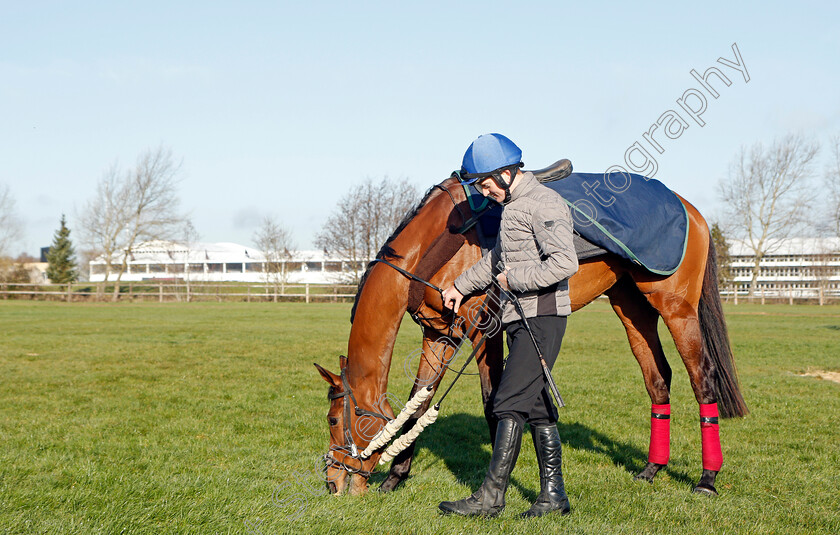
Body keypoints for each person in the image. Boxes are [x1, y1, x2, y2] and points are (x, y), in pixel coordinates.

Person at [438, 133, 579, 518]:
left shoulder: (545, 203)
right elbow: (496, 261)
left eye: (485, 184)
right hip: (520, 317)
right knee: (535, 405)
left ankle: (490, 497)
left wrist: (513, 278)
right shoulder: (513, 208)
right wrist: (459, 287)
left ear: (503, 173)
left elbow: (565, 264)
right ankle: (554, 497)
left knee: (508, 401)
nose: (484, 192)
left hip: (544, 317)